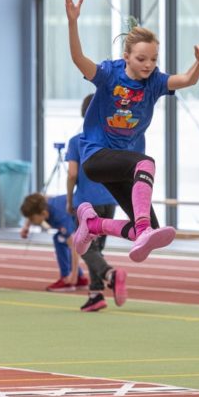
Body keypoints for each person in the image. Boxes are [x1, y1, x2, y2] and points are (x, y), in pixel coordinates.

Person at [64, 0, 199, 262]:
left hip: (123, 165)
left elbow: (188, 80)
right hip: (96, 156)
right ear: (127, 56)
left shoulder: (154, 82)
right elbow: (78, 59)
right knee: (146, 164)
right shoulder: (110, 74)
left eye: (154, 59)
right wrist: (73, 22)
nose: (149, 65)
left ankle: (93, 225)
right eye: (142, 59)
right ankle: (141, 228)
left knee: (149, 231)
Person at [67, 94, 126, 312]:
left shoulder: (77, 142)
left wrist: (70, 198)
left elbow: (72, 174)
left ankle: (110, 273)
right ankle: (95, 293)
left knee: (83, 246)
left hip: (86, 202)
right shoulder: (113, 142)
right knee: (97, 248)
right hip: (110, 199)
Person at [20, 193, 88, 292]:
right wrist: (26, 226)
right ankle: (80, 279)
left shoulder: (60, 216)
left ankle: (68, 280)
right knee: (59, 238)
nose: (31, 221)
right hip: (81, 213)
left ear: (43, 214)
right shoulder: (44, 203)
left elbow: (74, 246)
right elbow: (42, 197)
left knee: (60, 240)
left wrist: (73, 275)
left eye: (31, 219)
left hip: (92, 218)